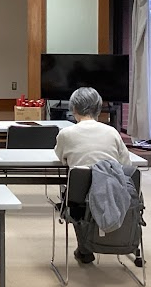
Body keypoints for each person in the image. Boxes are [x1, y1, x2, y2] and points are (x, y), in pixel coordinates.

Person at [54, 87, 133, 264]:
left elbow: (61, 158)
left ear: (74, 109)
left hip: (79, 197)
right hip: (113, 194)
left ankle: (85, 249)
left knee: (74, 197)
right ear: (98, 108)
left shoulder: (66, 134)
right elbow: (126, 165)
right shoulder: (112, 132)